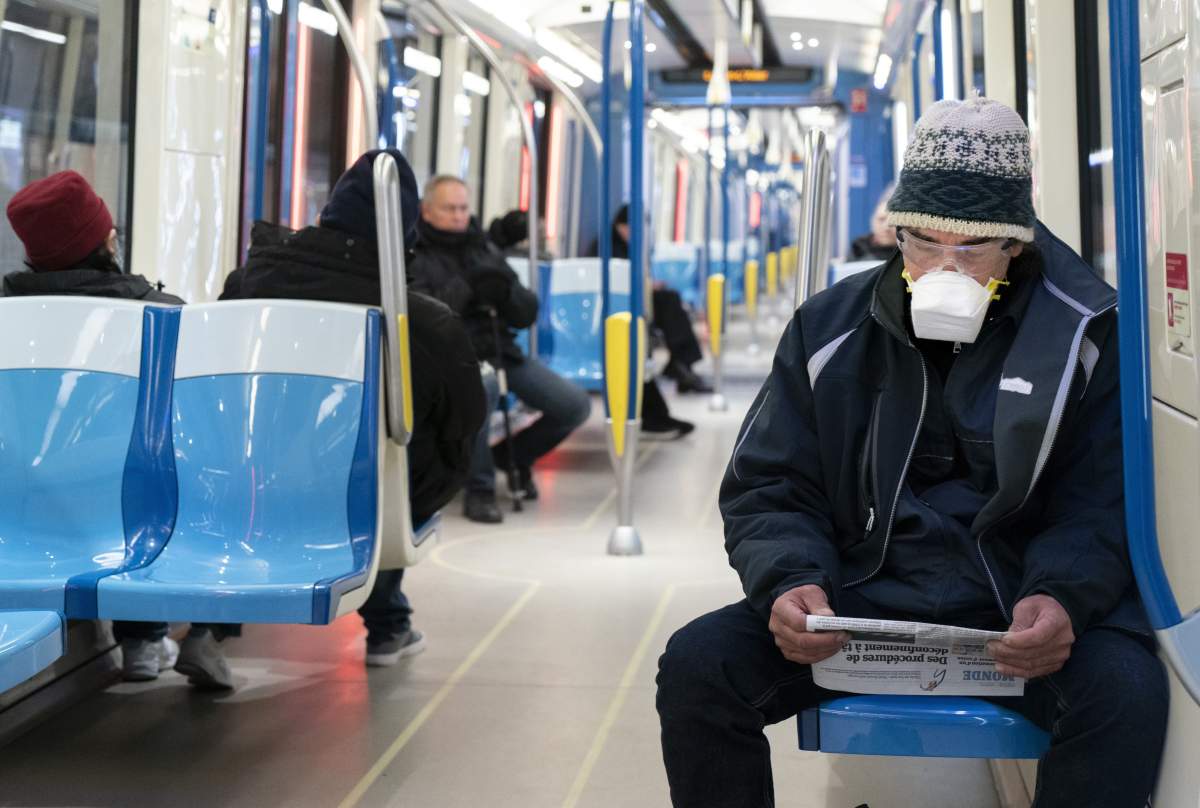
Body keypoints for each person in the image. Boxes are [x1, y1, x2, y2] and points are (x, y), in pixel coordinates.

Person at [656, 97, 1167, 808]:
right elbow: (771, 483)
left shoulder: (1086, 336)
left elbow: (1101, 498)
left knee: (1126, 693)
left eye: (972, 247)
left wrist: (1059, 596)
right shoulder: (830, 330)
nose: (941, 267)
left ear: (1016, 243)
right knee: (697, 664)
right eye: (923, 242)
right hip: (864, 599)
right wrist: (791, 580)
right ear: (896, 234)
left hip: (1012, 604)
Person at [221, 150, 487, 666]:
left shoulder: (245, 289)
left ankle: (210, 631)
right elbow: (464, 424)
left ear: (325, 214)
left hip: (247, 479)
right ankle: (388, 625)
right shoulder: (422, 324)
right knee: (394, 455)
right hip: (362, 497)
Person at [4, 170, 240, 689]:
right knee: (170, 468)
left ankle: (145, 638)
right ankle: (154, 635)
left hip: (27, 505)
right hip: (136, 513)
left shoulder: (8, 318)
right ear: (105, 242)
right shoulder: (160, 315)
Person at [409, 178, 591, 525]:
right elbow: (426, 318)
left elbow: (527, 313)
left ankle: (514, 457)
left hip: (499, 348)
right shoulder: (415, 253)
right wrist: (468, 287)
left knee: (573, 405)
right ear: (427, 210)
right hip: (451, 359)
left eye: (463, 208)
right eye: (450, 208)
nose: (459, 216)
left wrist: (506, 292)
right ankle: (480, 488)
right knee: (482, 390)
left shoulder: (483, 248)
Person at [489, 208, 694, 442]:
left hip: (510, 347)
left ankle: (677, 371)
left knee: (655, 319)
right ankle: (679, 369)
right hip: (508, 350)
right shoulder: (603, 251)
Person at [591, 205, 712, 395]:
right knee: (669, 302)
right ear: (621, 226)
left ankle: (681, 363)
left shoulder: (619, 245)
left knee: (670, 299)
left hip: (632, 298)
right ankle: (681, 364)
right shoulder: (607, 247)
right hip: (621, 304)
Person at [848, 186, 898, 261]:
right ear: (872, 220)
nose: (886, 227)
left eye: (894, 221)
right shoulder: (857, 249)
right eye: (881, 219)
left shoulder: (910, 257)